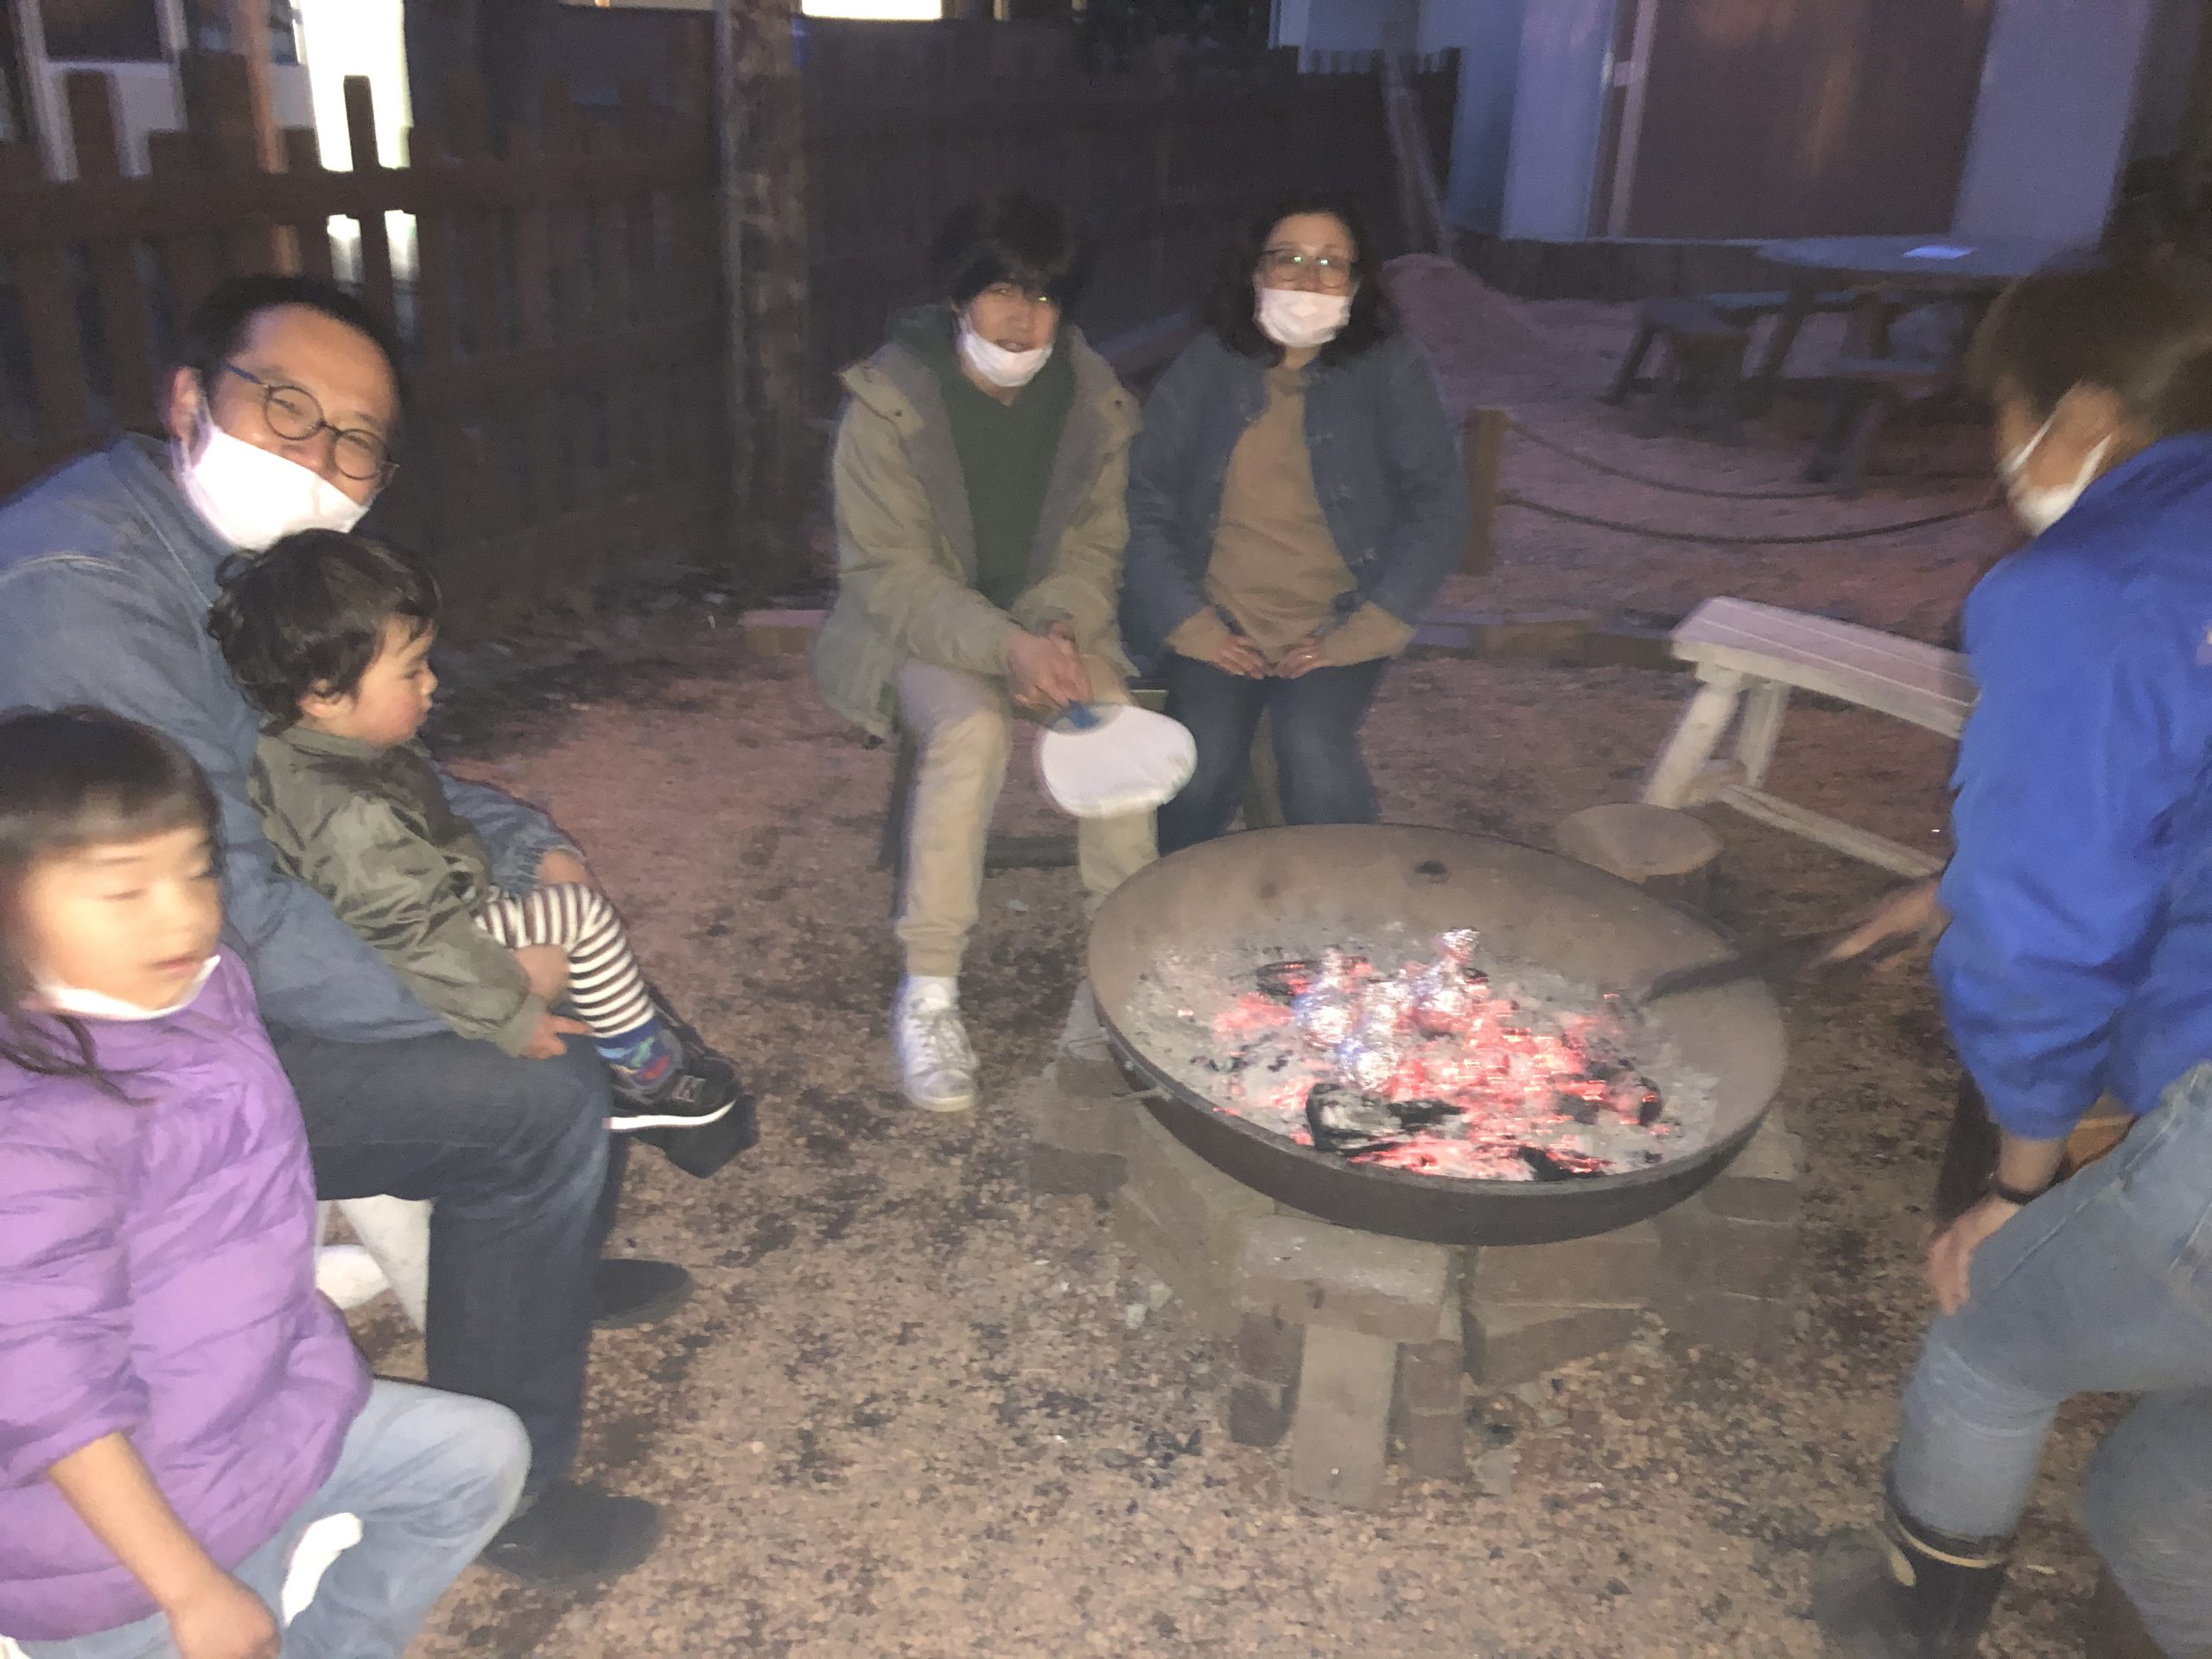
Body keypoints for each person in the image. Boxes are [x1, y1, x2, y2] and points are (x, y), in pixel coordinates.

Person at [0, 273, 670, 1583]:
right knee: (536, 1097)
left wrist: (525, 848)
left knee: (571, 949)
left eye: (358, 438)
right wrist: (488, 990)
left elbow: (360, 755)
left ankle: (533, 1268)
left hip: (209, 980)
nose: (321, 458)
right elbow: (223, 919)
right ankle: (509, 1492)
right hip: (121, 1051)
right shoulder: (87, 593)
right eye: (289, 408)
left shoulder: (238, 557)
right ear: (189, 398)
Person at [1810, 261, 2212, 1659]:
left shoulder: (2086, 584)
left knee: (1989, 1335)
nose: (1998, 449)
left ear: (2083, 414)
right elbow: (2165, 796)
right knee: (2160, 1505)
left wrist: (2019, 1183)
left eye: (2004, 411)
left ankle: (1907, 1628)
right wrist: (1959, 883)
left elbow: (2047, 935)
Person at [0, 708, 529, 1659]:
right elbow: (47, 1398)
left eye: (197, 868)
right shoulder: (33, 1130)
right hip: (117, 1551)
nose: (184, 913)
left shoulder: (202, 988)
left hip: (268, 1413)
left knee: (479, 1458)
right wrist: (189, 1587)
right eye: (125, 890)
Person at [207, 528, 757, 1167]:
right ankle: (646, 1077)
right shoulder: (347, 811)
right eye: (412, 670)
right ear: (324, 694)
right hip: (417, 937)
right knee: (578, 915)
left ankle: (624, 1027)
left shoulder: (325, 748)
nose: (431, 684)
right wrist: (509, 1015)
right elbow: (416, 932)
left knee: (562, 917)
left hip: (432, 903)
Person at [811, 192, 1154, 1113]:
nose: (1022, 316)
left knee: (1116, 728)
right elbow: (889, 575)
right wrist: (1004, 646)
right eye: (1002, 289)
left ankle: (1119, 980)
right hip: (920, 630)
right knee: (970, 732)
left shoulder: (1095, 404)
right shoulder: (888, 402)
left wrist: (1057, 629)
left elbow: (1096, 547)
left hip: (1044, 627)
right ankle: (929, 990)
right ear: (959, 293)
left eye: (1044, 296)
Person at [1122, 193, 1471, 854]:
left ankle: (1349, 900)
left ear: (1358, 283)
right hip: (1218, 612)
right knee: (1201, 763)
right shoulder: (1207, 364)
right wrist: (1191, 624)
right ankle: (1172, 892)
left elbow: (1439, 504)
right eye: (1289, 259)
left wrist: (1366, 630)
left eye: (1331, 263)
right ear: (1256, 272)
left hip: (1336, 616)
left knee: (1312, 746)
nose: (1309, 279)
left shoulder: (1390, 367)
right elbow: (1145, 498)